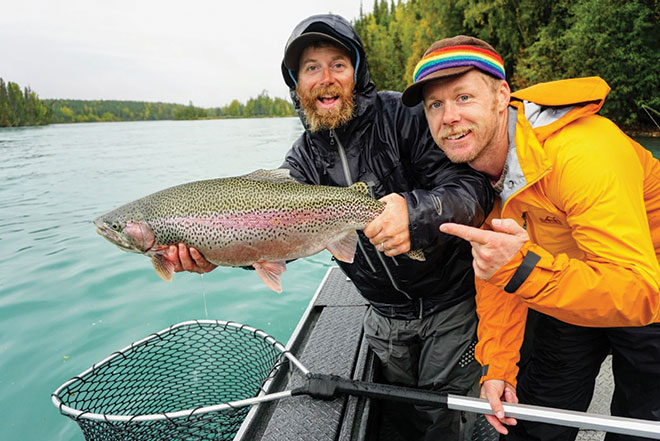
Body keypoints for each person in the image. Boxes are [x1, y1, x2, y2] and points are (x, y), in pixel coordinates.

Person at [165, 14, 513, 441]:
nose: (325, 78)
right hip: (383, 315)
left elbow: (472, 187)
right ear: (296, 84)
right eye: (311, 68)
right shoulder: (301, 163)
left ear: (357, 74)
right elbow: (274, 235)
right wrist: (215, 254)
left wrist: (415, 214)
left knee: (443, 419)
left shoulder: (403, 116)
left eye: (337, 65)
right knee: (402, 414)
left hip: (452, 304)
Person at [401, 35, 660, 440]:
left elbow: (641, 291)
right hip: (565, 285)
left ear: (502, 95)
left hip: (648, 287)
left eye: (463, 97)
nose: (448, 116)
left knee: (639, 424)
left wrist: (523, 269)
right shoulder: (478, 175)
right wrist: (499, 365)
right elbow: (497, 272)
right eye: (435, 104)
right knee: (536, 422)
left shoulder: (584, 154)